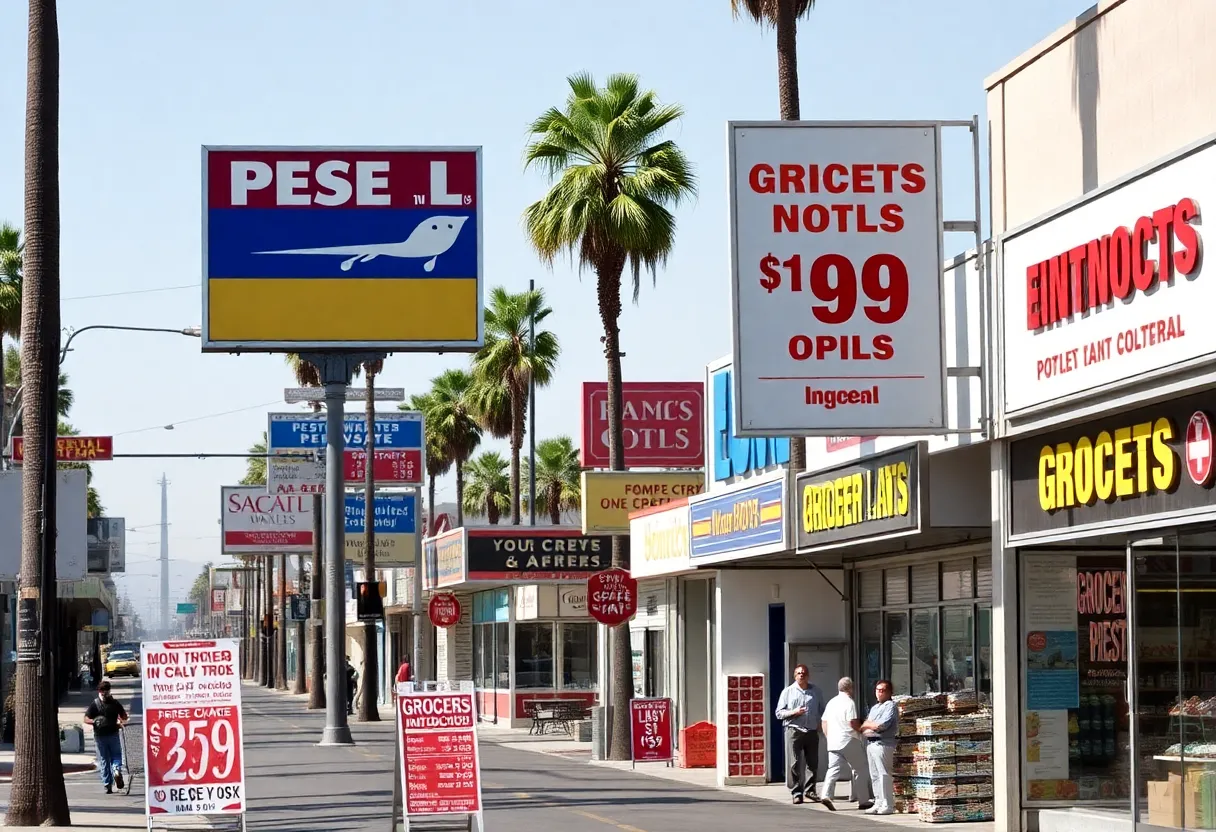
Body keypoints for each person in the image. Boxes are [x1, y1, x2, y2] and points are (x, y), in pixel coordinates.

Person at [774, 664, 827, 804]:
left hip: (811, 731)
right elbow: (779, 713)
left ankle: (810, 790)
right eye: (798, 673)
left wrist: (821, 724)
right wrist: (794, 712)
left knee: (812, 763)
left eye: (803, 673)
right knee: (795, 763)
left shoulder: (816, 691)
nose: (801, 675)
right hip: (794, 730)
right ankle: (797, 792)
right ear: (794, 676)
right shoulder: (788, 692)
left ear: (808, 675)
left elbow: (823, 710)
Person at [819, 677, 873, 812]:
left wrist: (828, 736)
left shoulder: (831, 702)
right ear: (850, 688)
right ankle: (863, 800)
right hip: (848, 739)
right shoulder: (849, 702)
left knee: (833, 769)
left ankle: (826, 794)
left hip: (833, 741)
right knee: (861, 769)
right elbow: (852, 723)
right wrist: (862, 730)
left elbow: (824, 722)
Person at [860, 679, 899, 815]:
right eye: (877, 690)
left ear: (889, 692)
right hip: (871, 743)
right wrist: (870, 726)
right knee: (874, 775)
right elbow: (865, 726)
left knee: (884, 774)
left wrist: (871, 725)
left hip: (884, 743)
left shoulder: (891, 706)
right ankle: (878, 802)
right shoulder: (875, 708)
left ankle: (888, 804)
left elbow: (882, 725)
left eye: (883, 690)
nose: (879, 693)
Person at [83, 680, 128, 794]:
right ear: (109, 690)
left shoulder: (95, 704)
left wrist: (94, 721)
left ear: (99, 691)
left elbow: (86, 718)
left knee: (103, 759)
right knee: (116, 756)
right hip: (113, 734)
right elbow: (124, 716)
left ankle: (107, 784)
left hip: (99, 736)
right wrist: (119, 723)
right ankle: (116, 769)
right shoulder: (115, 703)